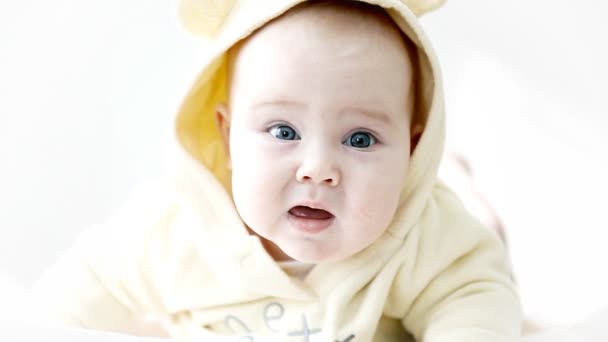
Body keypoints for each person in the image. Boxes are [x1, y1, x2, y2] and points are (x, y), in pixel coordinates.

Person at [30, 0, 523, 340]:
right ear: (227, 137)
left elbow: (471, 292)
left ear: (412, 151)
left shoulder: (423, 235)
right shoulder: (173, 230)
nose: (317, 170)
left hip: (448, 220)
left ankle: (459, 181)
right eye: (284, 132)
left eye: (360, 139)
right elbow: (81, 289)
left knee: (485, 244)